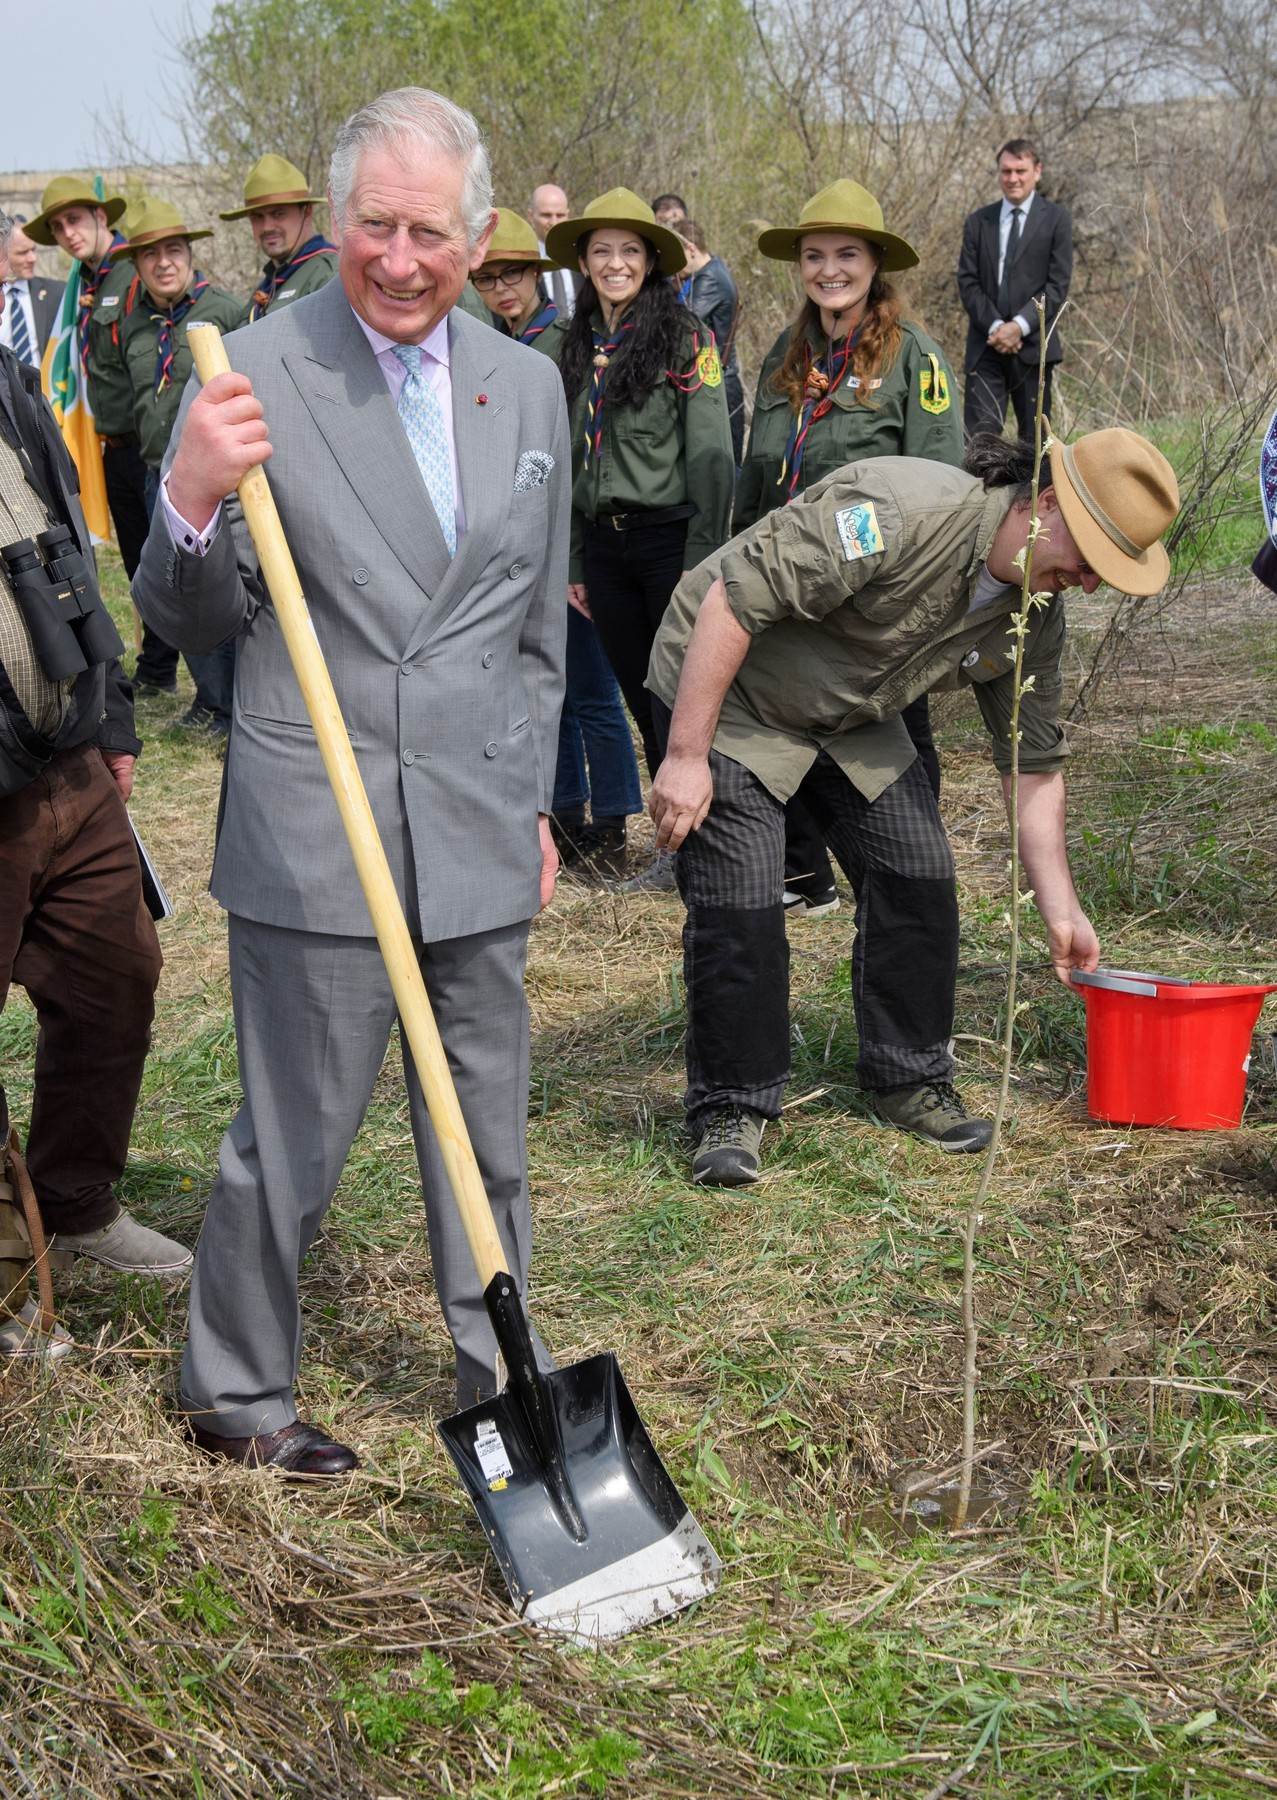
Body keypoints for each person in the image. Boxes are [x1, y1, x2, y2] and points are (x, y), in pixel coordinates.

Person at [133, 86, 569, 1478]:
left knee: (483, 1141)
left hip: (479, 818)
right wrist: (190, 498)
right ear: (333, 223)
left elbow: (535, 634)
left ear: (480, 233)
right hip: (320, 822)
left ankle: (501, 1388)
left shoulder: (530, 383)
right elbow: (187, 624)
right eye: (372, 225)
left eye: (427, 231)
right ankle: (236, 1391)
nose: (397, 258)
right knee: (294, 1143)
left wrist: (538, 798)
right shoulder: (251, 372)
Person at [645, 427, 1179, 1184]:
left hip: (853, 712)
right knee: (742, 898)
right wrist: (686, 756)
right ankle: (732, 1104)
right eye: (1090, 560)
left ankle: (907, 1076)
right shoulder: (895, 510)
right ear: (1046, 507)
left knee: (918, 873)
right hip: (730, 693)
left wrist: (1061, 909)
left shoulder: (1032, 619)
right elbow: (733, 602)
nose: (1088, 584)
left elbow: (1030, 769)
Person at [0, 208, 190, 1360]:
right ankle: (10, 1291)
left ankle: (74, 1207)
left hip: (63, 757)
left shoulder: (6, 379)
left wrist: (111, 706)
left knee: (117, 973)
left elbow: (67, 542)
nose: (10, 254)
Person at [735, 179, 962, 916]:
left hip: (875, 606)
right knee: (808, 746)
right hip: (794, 594)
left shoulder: (912, 360)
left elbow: (939, 491)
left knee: (898, 748)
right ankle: (835, 878)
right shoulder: (789, 351)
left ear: (874, 265)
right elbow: (756, 474)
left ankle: (916, 895)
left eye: (845, 255)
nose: (828, 269)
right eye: (813, 255)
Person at [535, 188, 734, 890]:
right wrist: (574, 559)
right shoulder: (575, 341)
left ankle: (707, 851)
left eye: (627, 250)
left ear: (650, 260)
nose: (613, 263)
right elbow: (567, 459)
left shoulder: (684, 337)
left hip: (669, 545)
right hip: (604, 548)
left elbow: (711, 457)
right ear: (583, 263)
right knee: (634, 693)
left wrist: (702, 567)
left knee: (679, 702)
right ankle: (679, 850)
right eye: (600, 251)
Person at [472, 210, 642, 873]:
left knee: (593, 688)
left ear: (536, 276)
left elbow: (577, 452)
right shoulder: (485, 343)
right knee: (539, 686)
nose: (501, 289)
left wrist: (573, 553)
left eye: (511, 273)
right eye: (486, 278)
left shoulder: (567, 342)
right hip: (511, 542)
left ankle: (614, 820)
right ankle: (565, 810)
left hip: (568, 538)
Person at [24, 178, 178, 696]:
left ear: (99, 215)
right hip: (113, 446)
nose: (68, 234)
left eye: (74, 220)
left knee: (174, 563)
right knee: (139, 564)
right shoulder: (82, 284)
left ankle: (204, 681)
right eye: (59, 227)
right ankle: (156, 667)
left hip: (152, 445)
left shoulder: (134, 270)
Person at [118, 201, 243, 737]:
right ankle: (209, 700)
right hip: (155, 475)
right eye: (151, 255)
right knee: (176, 589)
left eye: (173, 251)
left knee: (219, 588)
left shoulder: (227, 311)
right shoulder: (134, 325)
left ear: (190, 254)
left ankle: (234, 707)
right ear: (138, 265)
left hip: (215, 482)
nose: (164, 263)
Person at [957, 138, 1072, 440]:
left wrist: (1019, 327)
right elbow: (968, 283)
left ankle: (1030, 491)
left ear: (1037, 171)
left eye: (1020, 170)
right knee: (979, 441)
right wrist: (997, 327)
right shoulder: (978, 222)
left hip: (1034, 347)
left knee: (1034, 443)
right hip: (986, 345)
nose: (1013, 178)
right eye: (1006, 171)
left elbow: (1057, 286)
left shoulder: (1057, 221)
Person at [219, 156, 337, 323]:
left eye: (278, 214)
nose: (267, 227)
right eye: (257, 217)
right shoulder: (267, 286)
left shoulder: (328, 275)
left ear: (307, 211)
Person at [673, 220, 745, 464]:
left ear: (690, 248)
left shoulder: (710, 280)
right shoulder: (703, 273)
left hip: (719, 383)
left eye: (675, 255)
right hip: (712, 380)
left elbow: (678, 324)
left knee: (722, 463)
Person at [1, 219, 65, 366]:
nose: (32, 258)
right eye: (22, 252)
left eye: (33, 250)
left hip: (42, 387)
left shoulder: (58, 294)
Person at [527, 184, 577, 317]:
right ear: (531, 216)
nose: (553, 222)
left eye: (560, 215)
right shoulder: (524, 261)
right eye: (546, 215)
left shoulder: (581, 259)